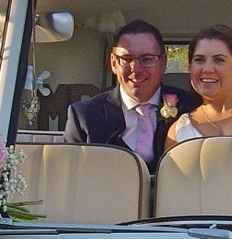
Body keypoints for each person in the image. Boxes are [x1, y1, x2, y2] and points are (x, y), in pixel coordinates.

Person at [63, 19, 201, 172]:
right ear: (114, 63)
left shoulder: (192, 108)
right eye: (127, 59)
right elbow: (72, 177)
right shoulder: (84, 115)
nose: (136, 69)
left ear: (164, 62)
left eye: (147, 59)